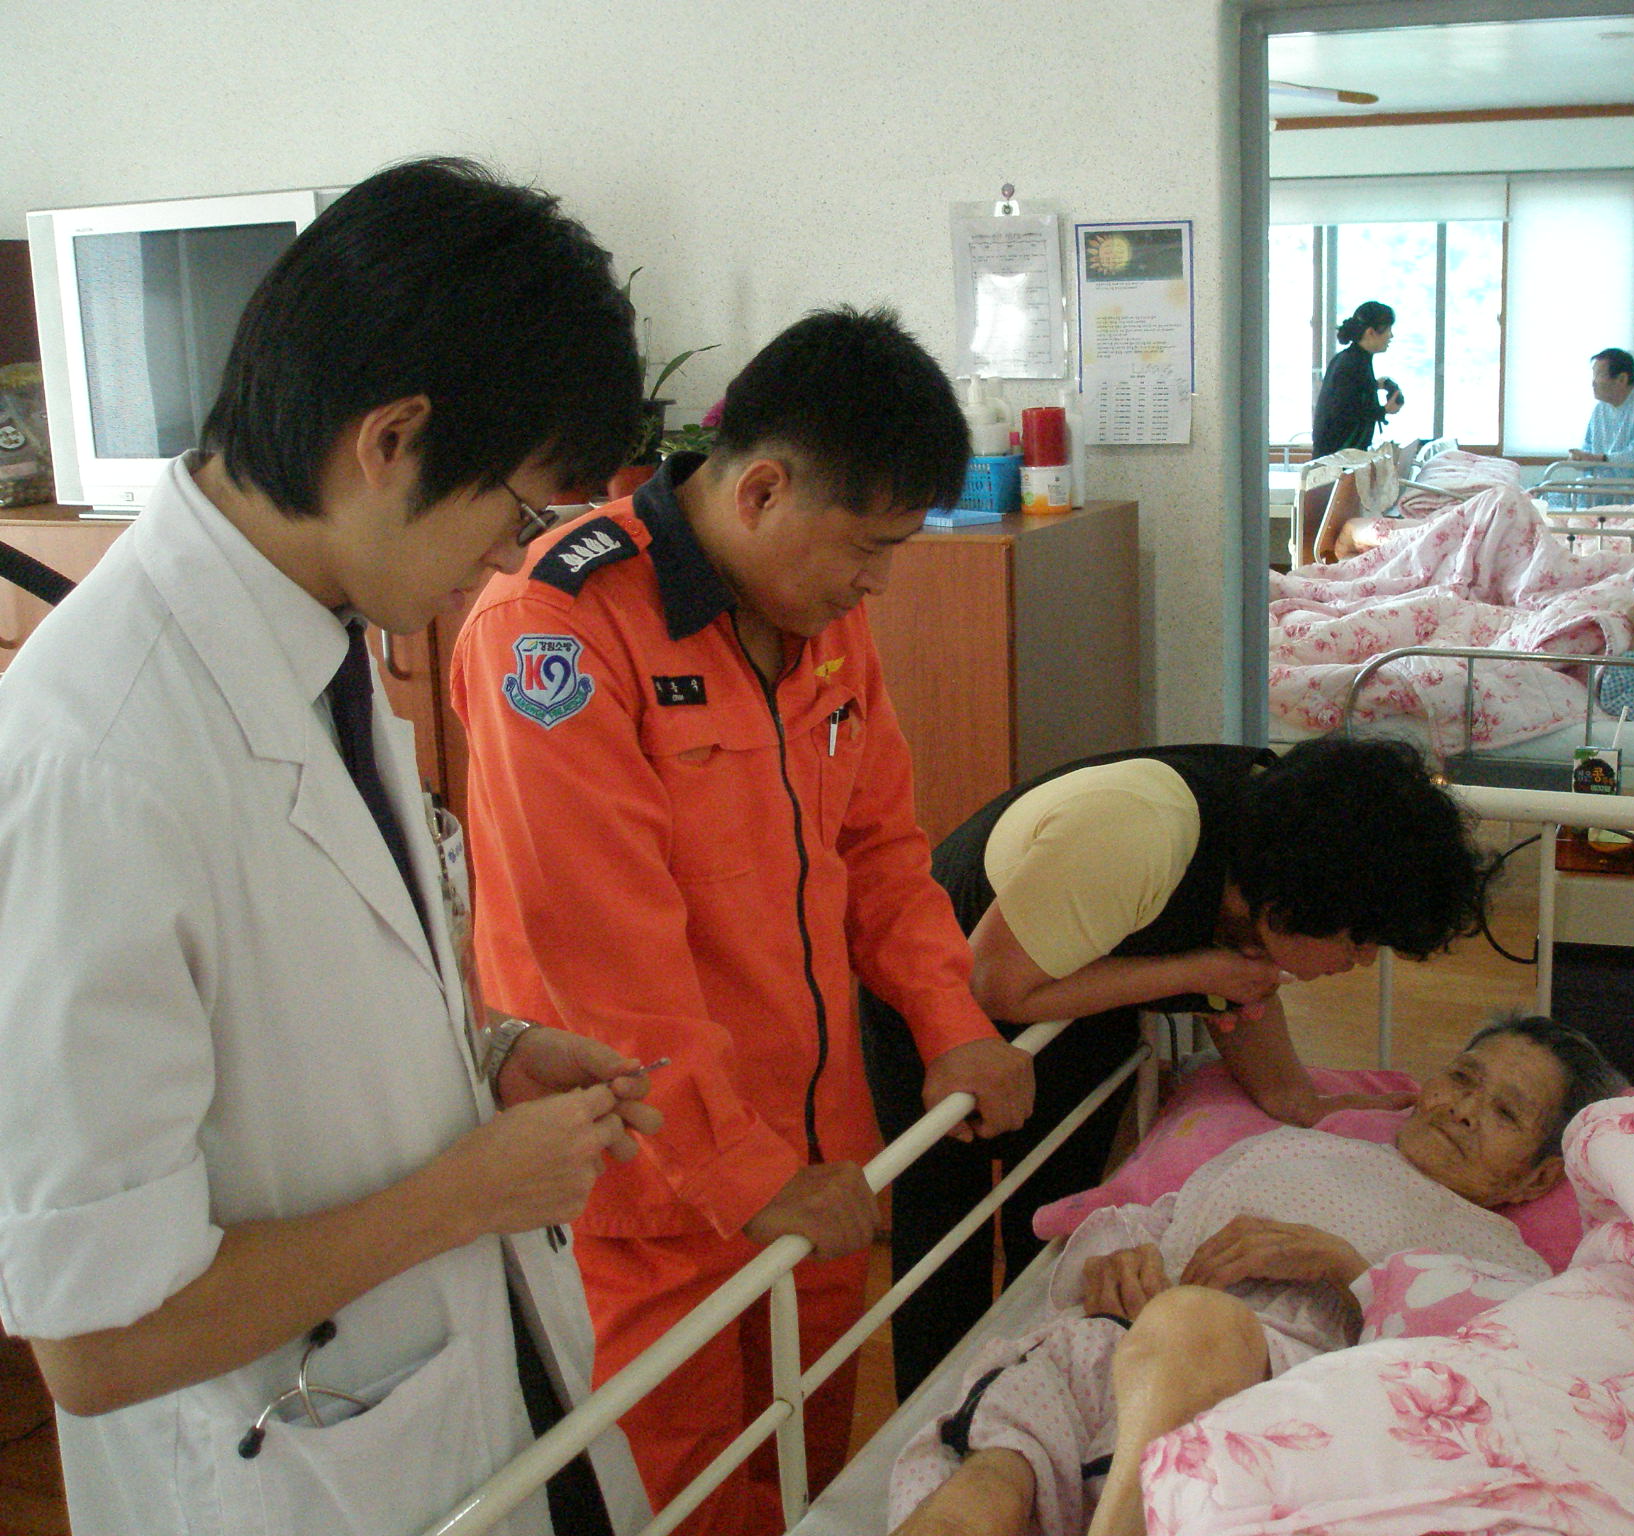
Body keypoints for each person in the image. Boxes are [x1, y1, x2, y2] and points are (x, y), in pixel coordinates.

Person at [0, 158, 665, 1536]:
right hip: (291, 1467)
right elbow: (95, 1344)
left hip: (464, 1386)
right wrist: (463, 1194)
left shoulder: (321, 632)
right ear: (393, 440)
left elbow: (288, 1020)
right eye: (515, 515)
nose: (511, 563)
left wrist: (482, 1054)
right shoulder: (93, 763)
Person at [450, 305, 1036, 1534]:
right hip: (649, 1176)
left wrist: (950, 1021)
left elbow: (879, 849)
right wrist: (743, 1174)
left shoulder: (821, 618)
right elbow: (595, 952)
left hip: (817, 1151)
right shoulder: (555, 627)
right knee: (683, 1498)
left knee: (803, 1472)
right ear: (762, 489)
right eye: (868, 547)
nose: (878, 582)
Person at [862, 736, 1487, 1396]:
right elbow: (990, 985)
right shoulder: (1142, 833)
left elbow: (1243, 981)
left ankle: (1023, 1381)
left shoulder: (1266, 854)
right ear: (1305, 901)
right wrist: (1195, 973)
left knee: (1049, 1213)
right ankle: (928, 1418)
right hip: (945, 997)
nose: (1359, 962)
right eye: (1359, 940)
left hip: (1075, 988)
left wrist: (1299, 1101)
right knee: (943, 1237)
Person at [888, 1017, 1630, 1536]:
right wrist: (1115, 1260)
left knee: (1197, 1324)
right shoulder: (1288, 1147)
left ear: (1537, 1179)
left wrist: (1348, 1271)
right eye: (1462, 1078)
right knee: (989, 1479)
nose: (1464, 1109)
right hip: (1113, 1347)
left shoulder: (1507, 1260)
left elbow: (1480, 1379)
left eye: (1505, 1113)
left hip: (1267, 1400)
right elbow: (1162, 1217)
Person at [1310, 301, 1406, 458]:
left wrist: (1375, 385)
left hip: (1337, 455)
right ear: (1370, 332)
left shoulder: (1349, 358)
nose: (1391, 336)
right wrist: (1384, 410)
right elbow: (1346, 412)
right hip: (1338, 459)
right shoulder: (1353, 364)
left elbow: (1351, 395)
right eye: (1388, 330)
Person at [1570, 346, 1634, 476]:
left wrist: (1600, 459)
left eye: (1599, 375)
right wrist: (1580, 458)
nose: (1593, 383)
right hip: (1601, 486)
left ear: (1622, 379)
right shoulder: (1599, 409)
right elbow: (1588, 447)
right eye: (1593, 375)